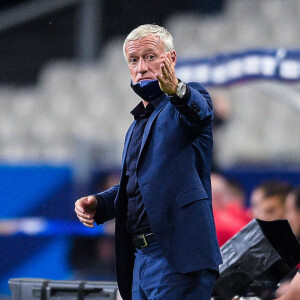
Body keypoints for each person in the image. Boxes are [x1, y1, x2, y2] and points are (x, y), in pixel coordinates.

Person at [75, 24, 222, 300]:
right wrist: (102, 204)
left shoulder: (189, 99)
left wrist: (177, 90)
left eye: (150, 56)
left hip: (177, 258)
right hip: (139, 258)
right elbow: (138, 186)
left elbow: (199, 114)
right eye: (133, 60)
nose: (141, 67)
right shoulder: (135, 126)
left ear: (171, 59)